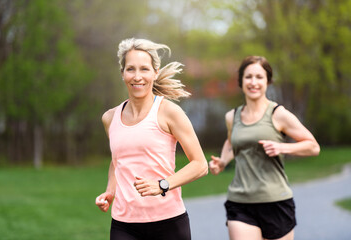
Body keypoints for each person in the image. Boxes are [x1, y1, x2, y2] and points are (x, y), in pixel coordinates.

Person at [95, 38, 208, 240]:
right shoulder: (109, 118)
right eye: (131, 69)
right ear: (122, 74)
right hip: (124, 225)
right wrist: (110, 191)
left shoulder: (169, 113)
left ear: (155, 72)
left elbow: (200, 165)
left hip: (168, 224)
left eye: (144, 69)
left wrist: (162, 184)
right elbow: (117, 161)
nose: (137, 76)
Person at [209, 56, 320, 240]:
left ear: (268, 81)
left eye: (259, 77)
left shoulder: (279, 114)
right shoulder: (232, 116)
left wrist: (282, 148)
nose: (254, 82)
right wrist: (222, 162)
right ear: (241, 81)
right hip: (240, 202)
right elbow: (231, 142)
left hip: (275, 202)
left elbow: (313, 146)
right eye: (248, 77)